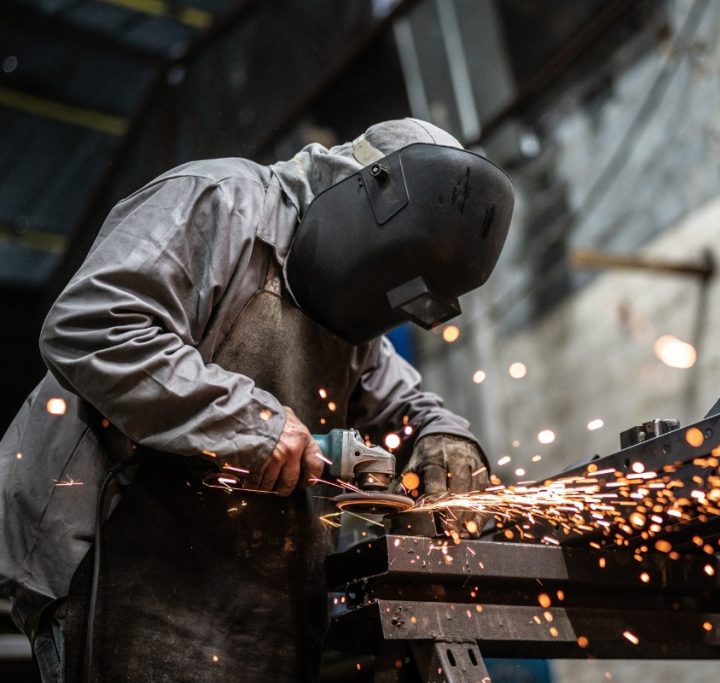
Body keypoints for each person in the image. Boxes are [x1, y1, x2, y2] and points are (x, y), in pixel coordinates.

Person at [0, 118, 514, 682]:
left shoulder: (353, 309)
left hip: (262, 607)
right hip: (121, 567)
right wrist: (253, 424)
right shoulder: (220, 202)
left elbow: (407, 406)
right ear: (367, 196)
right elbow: (92, 327)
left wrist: (446, 437)